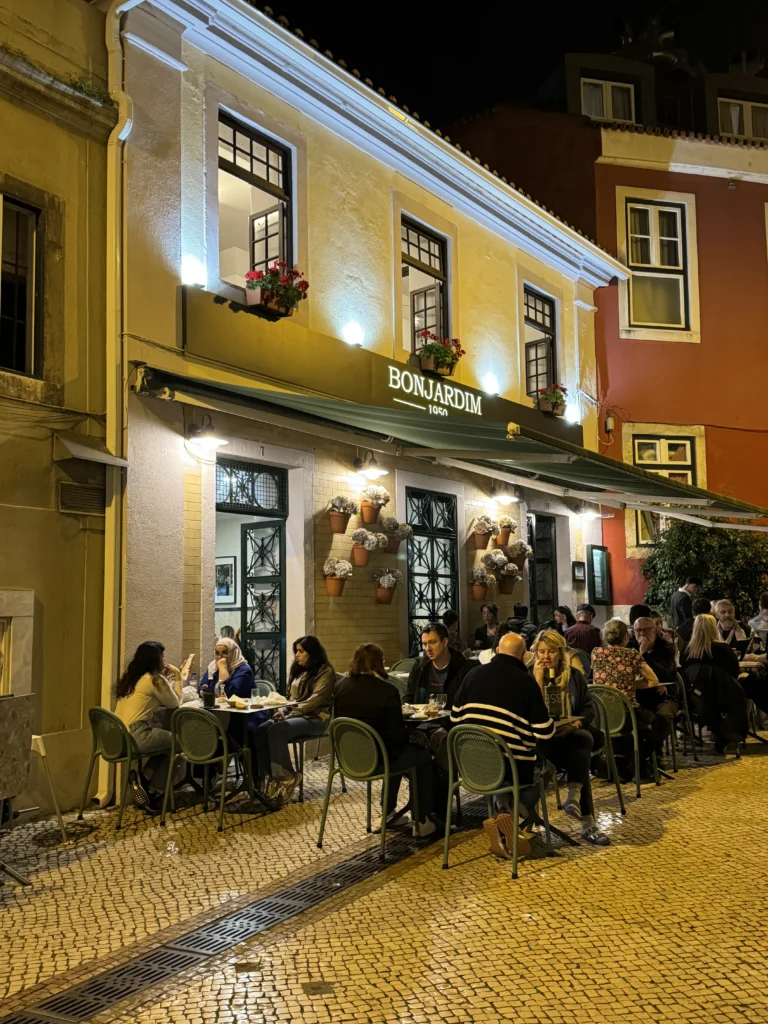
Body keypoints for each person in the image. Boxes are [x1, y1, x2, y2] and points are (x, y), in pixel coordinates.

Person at [450, 633, 556, 857]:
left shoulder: (472, 674)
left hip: (471, 767)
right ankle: (516, 817)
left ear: (497, 651)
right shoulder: (525, 682)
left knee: (499, 768)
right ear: (525, 654)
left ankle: (503, 812)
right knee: (548, 768)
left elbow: (455, 719)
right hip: (512, 768)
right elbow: (544, 732)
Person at [335, 643, 435, 835]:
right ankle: (422, 819)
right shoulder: (386, 691)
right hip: (380, 761)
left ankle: (388, 812)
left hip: (348, 761)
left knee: (393, 751)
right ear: (378, 663)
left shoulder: (340, 689)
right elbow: (397, 737)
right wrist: (416, 737)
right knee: (420, 756)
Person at [530, 629, 609, 845]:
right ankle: (586, 821)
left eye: (551, 652)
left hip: (569, 734)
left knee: (582, 740)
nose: (546, 657)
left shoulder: (574, 677)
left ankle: (574, 797)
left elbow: (589, 709)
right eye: (541, 652)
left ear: (561, 653)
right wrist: (538, 681)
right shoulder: (528, 677)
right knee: (581, 751)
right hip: (540, 739)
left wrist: (573, 725)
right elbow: (531, 712)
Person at [253, 636, 335, 803]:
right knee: (261, 729)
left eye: (301, 651)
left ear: (312, 653)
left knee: (277, 729)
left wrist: (290, 713)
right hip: (296, 716)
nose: (297, 655)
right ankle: (272, 775)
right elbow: (291, 698)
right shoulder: (299, 671)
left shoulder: (325, 672)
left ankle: (286, 777)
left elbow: (315, 700)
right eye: (296, 651)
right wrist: (283, 710)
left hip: (317, 718)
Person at [115, 641, 183, 811]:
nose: (165, 660)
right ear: (155, 660)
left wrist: (165, 683)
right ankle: (155, 791)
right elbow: (175, 702)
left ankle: (144, 779)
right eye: (163, 656)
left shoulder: (133, 678)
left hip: (118, 735)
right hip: (137, 734)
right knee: (180, 743)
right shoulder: (154, 679)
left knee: (166, 744)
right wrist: (178, 676)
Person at [591, 619, 661, 775]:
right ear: (626, 637)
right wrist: (628, 684)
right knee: (653, 722)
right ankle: (638, 764)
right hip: (625, 715)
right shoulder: (631, 655)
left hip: (602, 716)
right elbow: (653, 681)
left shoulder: (596, 653)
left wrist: (621, 684)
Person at [681, 614, 747, 753]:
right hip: (724, 697)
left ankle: (717, 730)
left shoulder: (686, 649)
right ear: (712, 628)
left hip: (694, 698)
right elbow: (733, 672)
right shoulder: (722, 649)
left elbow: (683, 673)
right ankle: (730, 732)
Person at [629, 616, 678, 763]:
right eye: (638, 630)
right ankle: (643, 755)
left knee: (662, 716)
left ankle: (654, 753)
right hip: (640, 696)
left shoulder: (667, 647)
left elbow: (665, 674)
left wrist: (642, 656)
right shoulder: (630, 647)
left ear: (655, 630)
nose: (642, 634)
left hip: (665, 696)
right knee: (637, 717)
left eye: (646, 630)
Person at [406, 623, 471, 707]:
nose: (428, 649)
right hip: (423, 718)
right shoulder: (419, 667)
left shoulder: (461, 667)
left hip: (451, 718)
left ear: (444, 642)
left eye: (432, 642)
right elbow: (408, 699)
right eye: (425, 644)